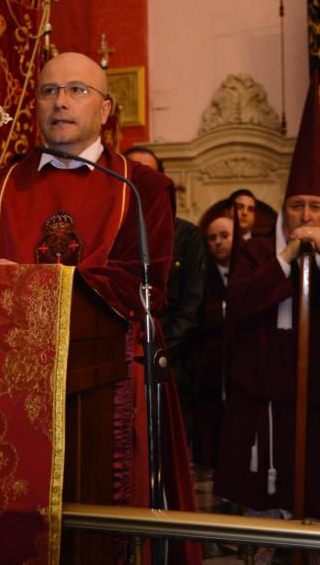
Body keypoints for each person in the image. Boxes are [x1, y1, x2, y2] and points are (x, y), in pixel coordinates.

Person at [0, 52, 202, 564]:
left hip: (107, 389)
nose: (60, 101)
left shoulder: (141, 186)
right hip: (7, 388)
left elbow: (142, 287)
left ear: (105, 110)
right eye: (48, 91)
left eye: (77, 90)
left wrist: (25, 283)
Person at [214, 82, 320, 565]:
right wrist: (287, 259)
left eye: (316, 208)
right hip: (260, 394)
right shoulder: (258, 251)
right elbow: (241, 300)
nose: (305, 216)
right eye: (297, 205)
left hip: (309, 393)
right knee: (262, 494)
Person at [123, 146, 206, 441]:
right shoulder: (109, 231)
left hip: (169, 361)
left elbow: (192, 306)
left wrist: (154, 346)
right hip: (118, 361)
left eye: (148, 173)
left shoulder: (185, 234)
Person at [193, 216, 233, 470]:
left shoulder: (249, 267)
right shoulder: (202, 273)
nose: (218, 242)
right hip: (210, 358)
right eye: (212, 238)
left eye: (224, 236)